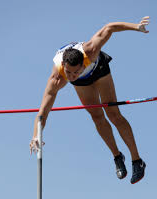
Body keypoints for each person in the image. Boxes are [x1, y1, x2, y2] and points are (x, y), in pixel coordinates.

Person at [30, 16, 150, 184]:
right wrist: (36, 135)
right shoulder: (58, 78)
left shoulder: (91, 50)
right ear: (64, 65)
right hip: (83, 82)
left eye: (75, 72)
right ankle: (117, 156)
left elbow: (110, 27)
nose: (71, 76)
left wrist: (136, 27)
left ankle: (137, 160)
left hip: (99, 71)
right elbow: (42, 111)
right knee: (97, 116)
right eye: (69, 73)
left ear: (82, 65)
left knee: (113, 114)